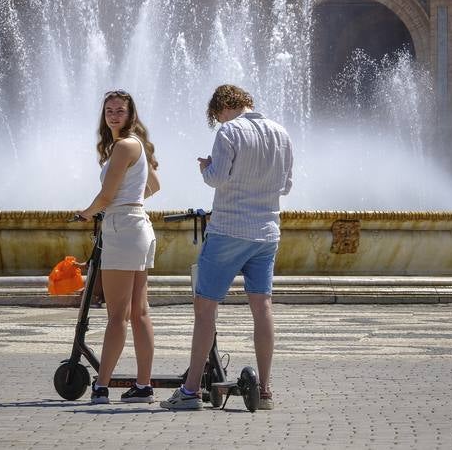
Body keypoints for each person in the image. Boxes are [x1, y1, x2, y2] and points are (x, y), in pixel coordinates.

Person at [160, 84, 293, 412]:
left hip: (229, 230)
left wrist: (206, 167)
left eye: (216, 116)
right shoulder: (281, 133)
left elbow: (216, 179)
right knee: (262, 308)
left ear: (221, 109)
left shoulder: (229, 132)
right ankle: (264, 391)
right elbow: (287, 186)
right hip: (266, 233)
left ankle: (190, 391)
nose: (218, 120)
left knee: (206, 309)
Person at [78, 89, 160, 404]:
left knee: (117, 316)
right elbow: (154, 185)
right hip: (138, 226)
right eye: (109, 110)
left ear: (130, 114)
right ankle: (143, 386)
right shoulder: (133, 144)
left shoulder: (124, 146)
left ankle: (101, 387)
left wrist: (85, 214)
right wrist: (132, 197)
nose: (114, 115)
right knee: (139, 313)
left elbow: (106, 196)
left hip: (122, 229)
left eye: (120, 111)